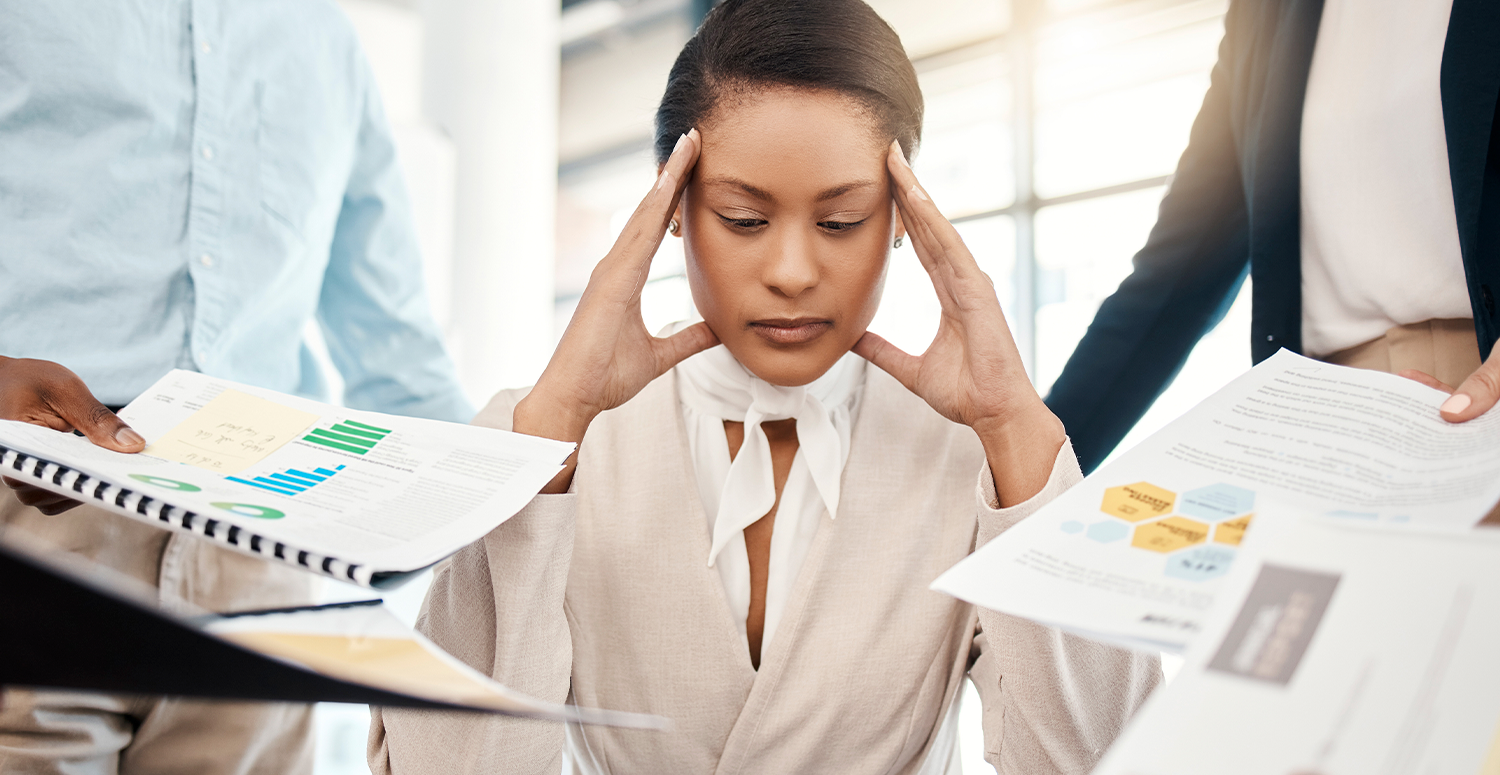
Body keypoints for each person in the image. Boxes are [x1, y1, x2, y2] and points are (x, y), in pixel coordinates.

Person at [370, 1, 1159, 772]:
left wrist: (1014, 424)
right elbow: (447, 763)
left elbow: (1104, 758)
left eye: (842, 221)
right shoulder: (550, 439)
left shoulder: (974, 457)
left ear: (903, 216)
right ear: (673, 205)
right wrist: (552, 429)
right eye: (745, 219)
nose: (791, 273)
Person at [0, 1, 472, 772]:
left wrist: (523, 492)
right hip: (35, 512)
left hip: (263, 558)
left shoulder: (325, 40)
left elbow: (400, 355)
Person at [1046, 0, 1500, 475]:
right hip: (1322, 429)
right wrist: (1017, 473)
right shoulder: (1261, 12)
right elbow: (1171, 285)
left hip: (1481, 388)